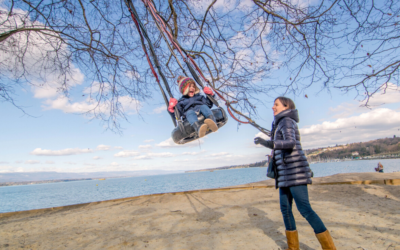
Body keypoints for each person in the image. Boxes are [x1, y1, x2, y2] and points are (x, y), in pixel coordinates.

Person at [254, 97, 336, 250]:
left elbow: (290, 143)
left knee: (305, 209)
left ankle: (330, 248)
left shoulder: (286, 121)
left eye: (276, 104)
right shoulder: (278, 124)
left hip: (295, 172)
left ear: (286, 106)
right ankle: (293, 248)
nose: (273, 107)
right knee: (285, 210)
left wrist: (267, 143)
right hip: (284, 175)